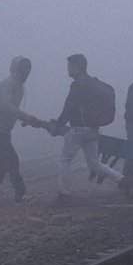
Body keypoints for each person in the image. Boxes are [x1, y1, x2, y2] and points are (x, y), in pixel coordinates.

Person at [50, 53, 124, 203]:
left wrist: (58, 125)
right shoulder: (93, 83)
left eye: (70, 66)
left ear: (78, 67)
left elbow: (69, 107)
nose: (68, 70)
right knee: (94, 163)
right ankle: (122, 180)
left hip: (78, 129)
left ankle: (64, 194)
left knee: (64, 160)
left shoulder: (78, 85)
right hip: (93, 129)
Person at [0, 56, 33, 204]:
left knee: (2, 163)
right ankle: (20, 193)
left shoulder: (19, 87)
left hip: (4, 130)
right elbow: (6, 105)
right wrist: (24, 116)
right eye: (24, 69)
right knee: (12, 160)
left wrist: (24, 119)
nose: (26, 73)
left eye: (28, 70)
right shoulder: (8, 84)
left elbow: (11, 109)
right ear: (16, 69)